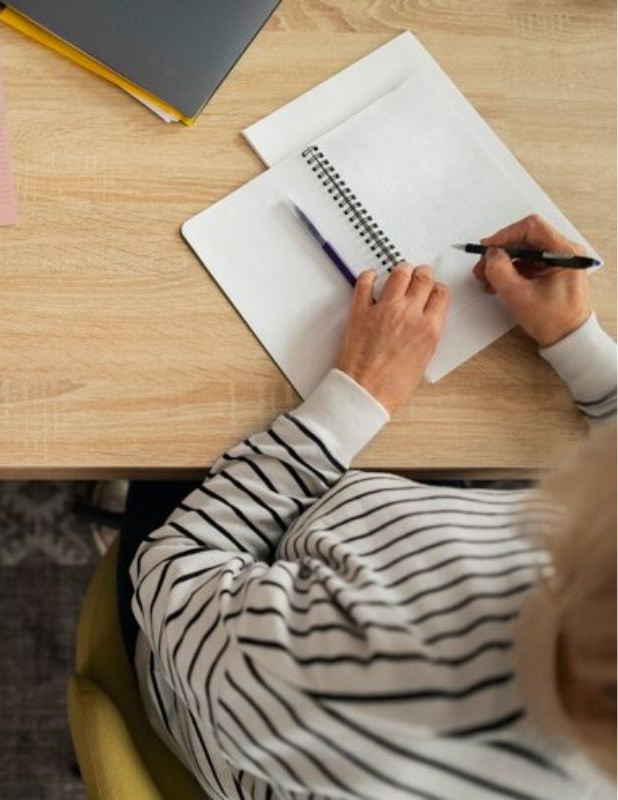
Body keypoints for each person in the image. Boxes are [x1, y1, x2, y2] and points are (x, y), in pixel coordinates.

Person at [120, 214, 617, 798]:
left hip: (211, 637)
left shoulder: (383, 690)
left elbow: (173, 570)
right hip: (359, 537)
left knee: (157, 420)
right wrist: (577, 341)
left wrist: (358, 394)